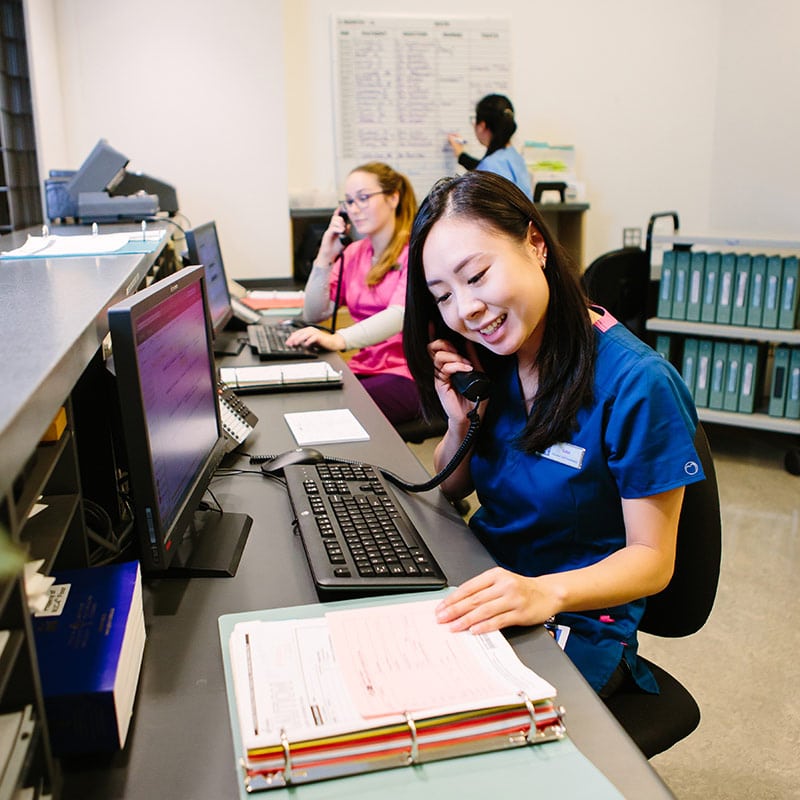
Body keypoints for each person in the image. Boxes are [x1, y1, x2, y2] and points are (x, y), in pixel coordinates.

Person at [402, 170, 705, 698]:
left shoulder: (636, 382)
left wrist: (543, 592)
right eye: (443, 296)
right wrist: (460, 424)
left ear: (535, 243)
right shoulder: (495, 355)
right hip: (488, 582)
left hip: (574, 617)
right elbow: (450, 488)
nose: (465, 310)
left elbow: (653, 560)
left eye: (476, 276)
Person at [286, 162, 420, 425]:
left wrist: (340, 339)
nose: (354, 209)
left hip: (408, 374)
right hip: (365, 367)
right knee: (305, 400)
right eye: (348, 202)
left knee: (333, 416)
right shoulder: (354, 254)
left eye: (363, 198)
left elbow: (400, 315)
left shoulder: (416, 252)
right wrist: (326, 253)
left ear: (393, 197)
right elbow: (314, 312)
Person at [447, 94, 532, 200]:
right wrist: (461, 155)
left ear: (482, 126)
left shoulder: (491, 165)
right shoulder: (514, 156)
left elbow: (489, 171)